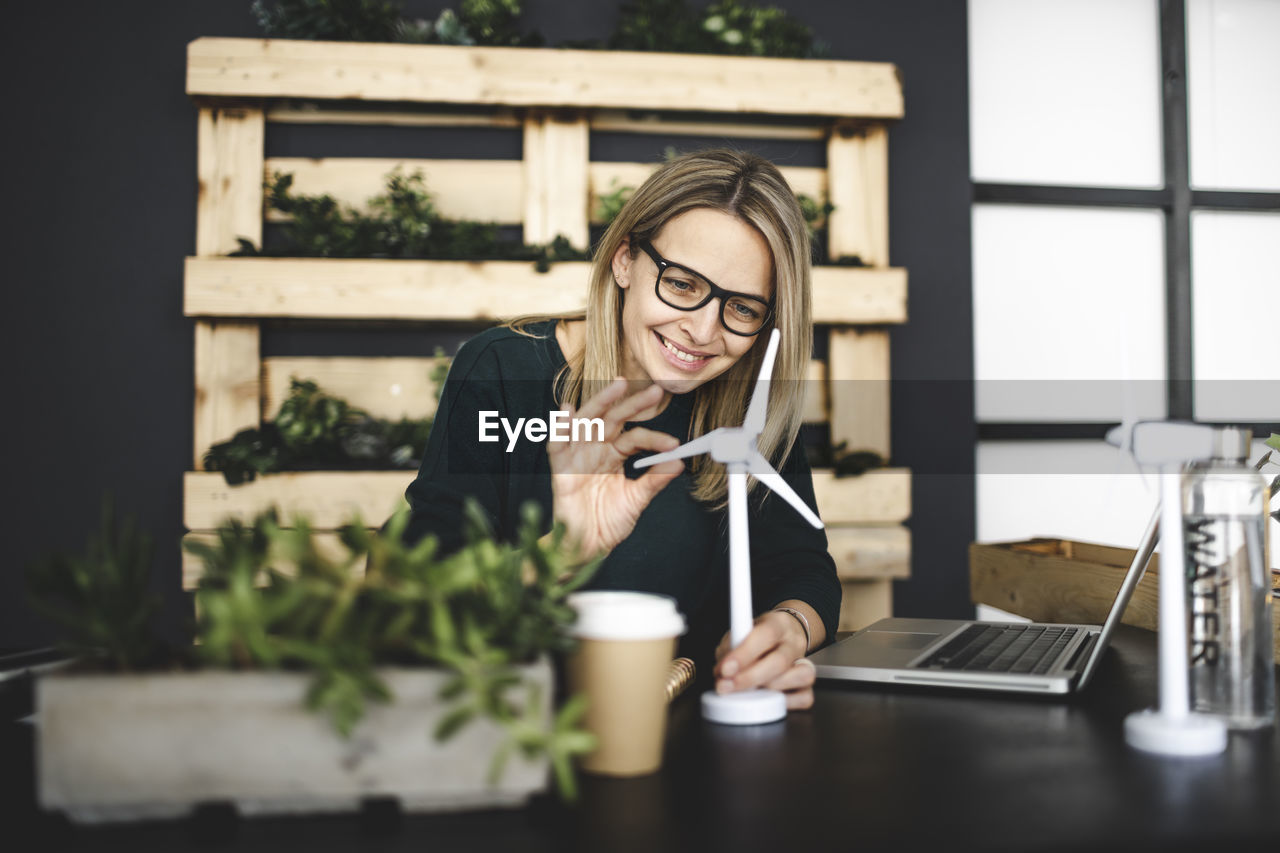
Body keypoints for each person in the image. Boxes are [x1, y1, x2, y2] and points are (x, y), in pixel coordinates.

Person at [401, 149, 840, 710]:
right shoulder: (503, 373)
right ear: (625, 260)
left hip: (687, 725)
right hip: (516, 725)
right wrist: (565, 550)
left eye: (744, 310)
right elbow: (424, 593)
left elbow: (802, 568)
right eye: (682, 284)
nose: (703, 331)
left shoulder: (754, 401)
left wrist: (787, 629)